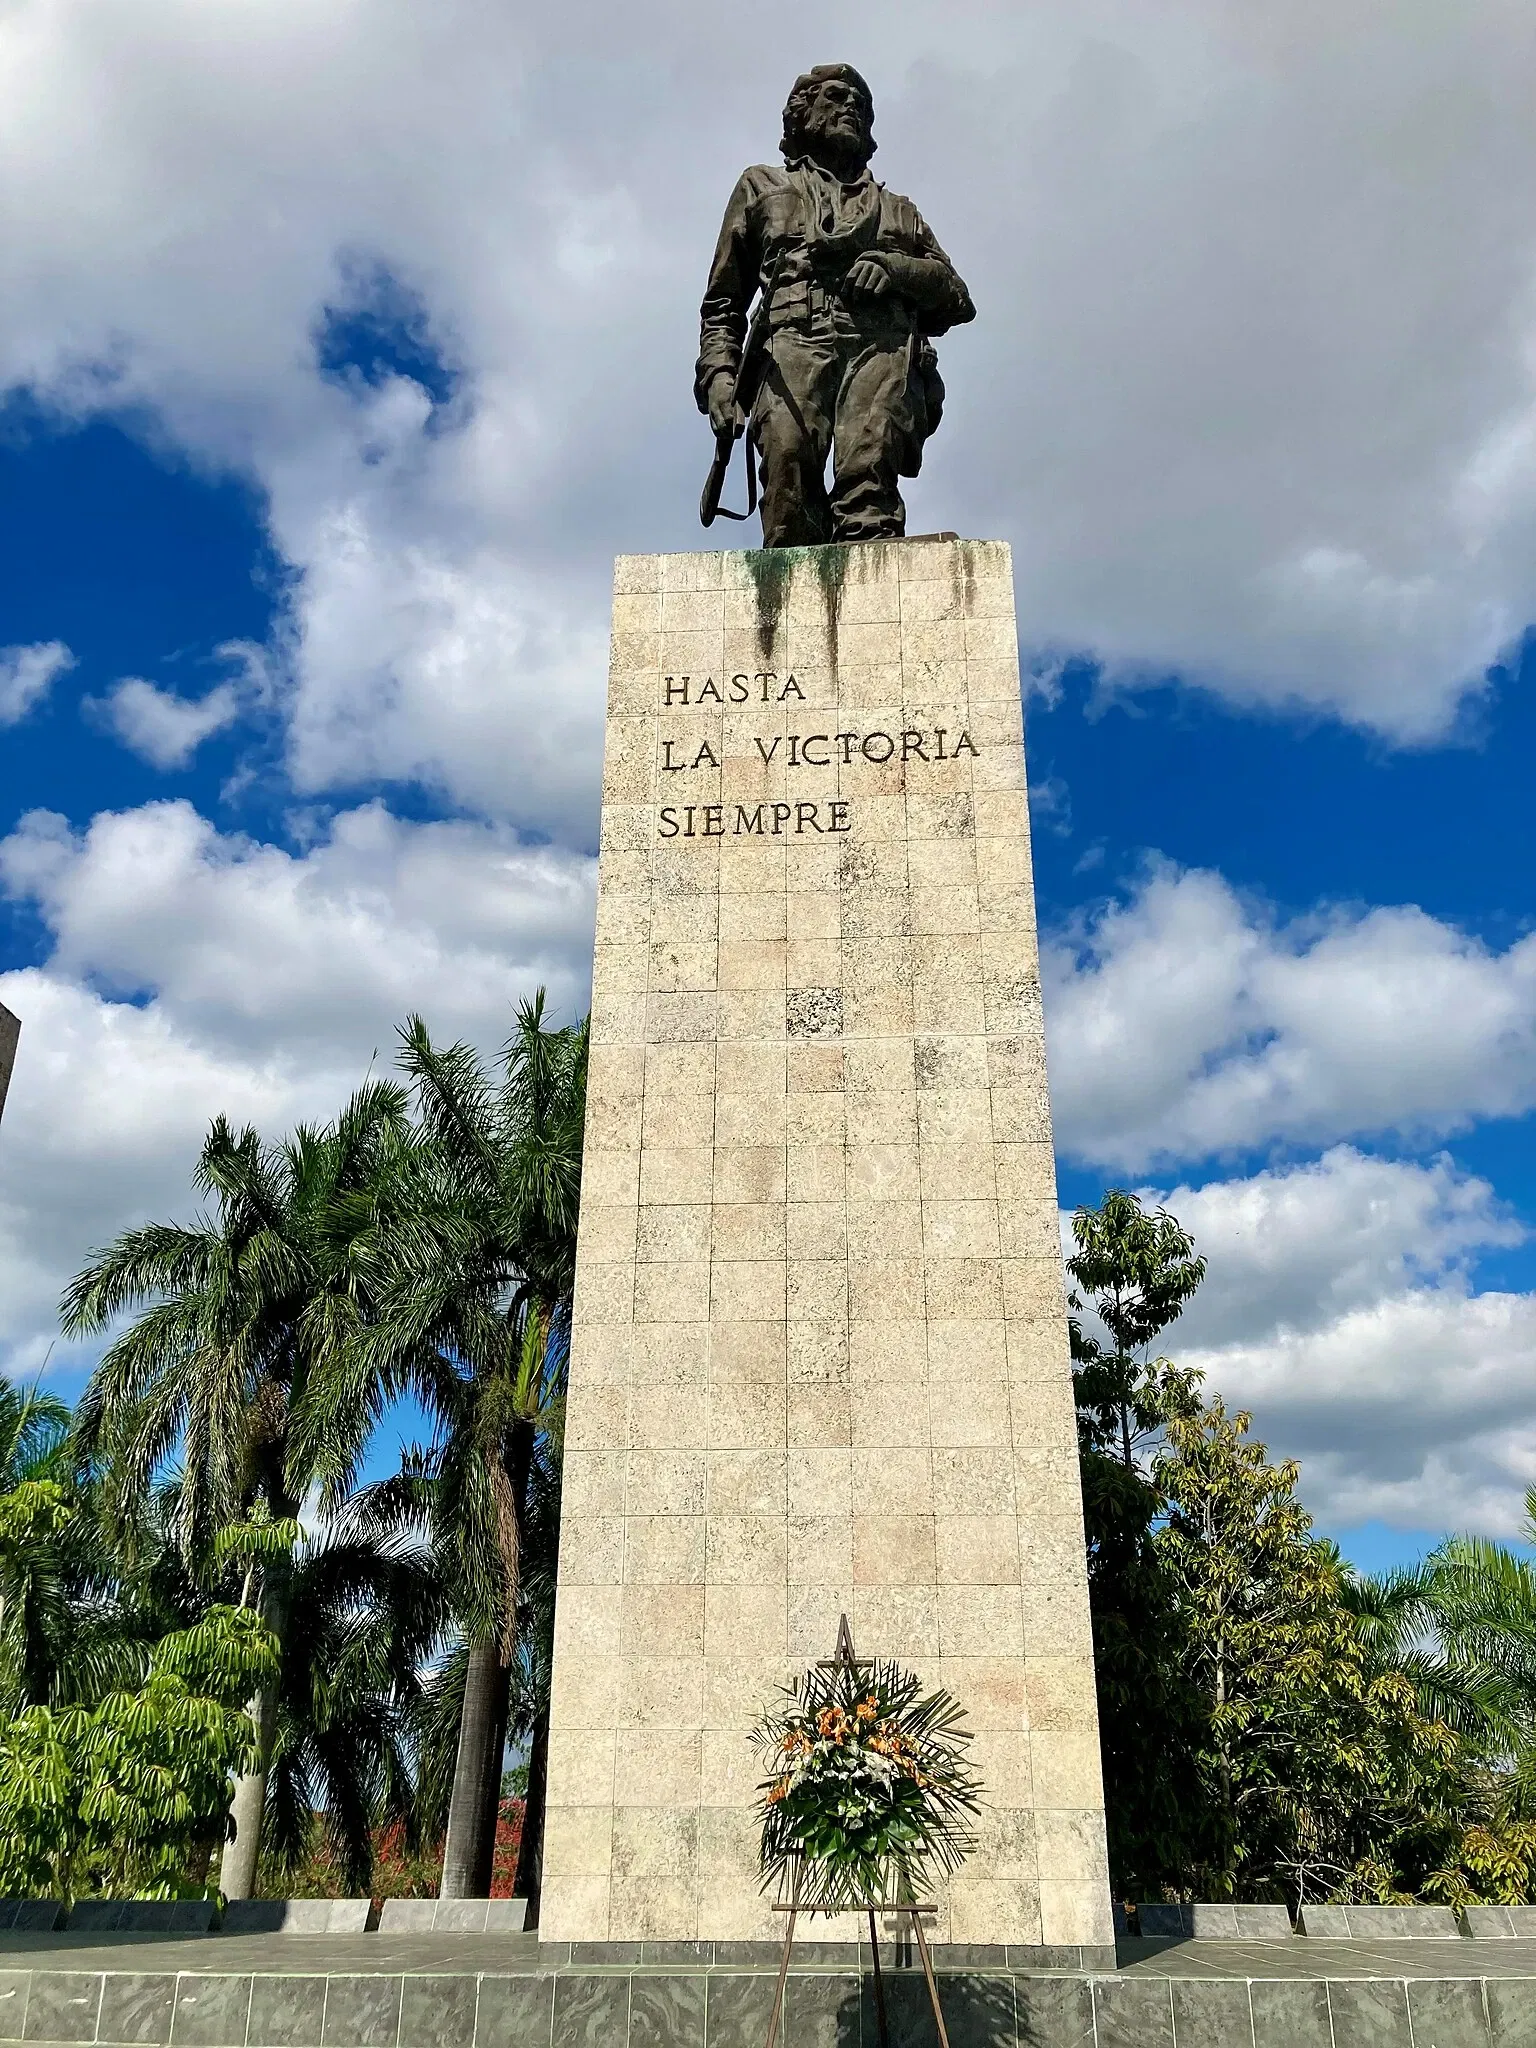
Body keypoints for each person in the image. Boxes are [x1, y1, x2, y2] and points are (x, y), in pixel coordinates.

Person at [697, 64, 975, 548]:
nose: (850, 105)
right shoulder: (760, 187)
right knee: (788, 471)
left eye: (860, 103)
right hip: (791, 346)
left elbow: (956, 297)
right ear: (800, 116)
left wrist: (896, 269)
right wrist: (720, 376)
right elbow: (724, 303)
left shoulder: (899, 212)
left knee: (868, 481)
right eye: (833, 95)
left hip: (880, 348)